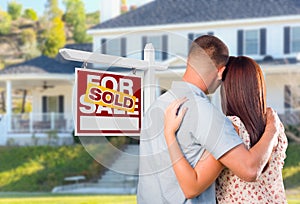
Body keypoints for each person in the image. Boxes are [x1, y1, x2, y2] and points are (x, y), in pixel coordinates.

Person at [137, 35, 281, 204]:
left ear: (189, 61)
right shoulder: (206, 113)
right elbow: (249, 170)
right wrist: (272, 129)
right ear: (221, 72)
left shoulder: (156, 107)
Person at [164, 56, 288, 203]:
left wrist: (169, 134)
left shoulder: (232, 128)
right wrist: (271, 130)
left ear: (228, 89)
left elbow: (192, 187)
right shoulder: (274, 123)